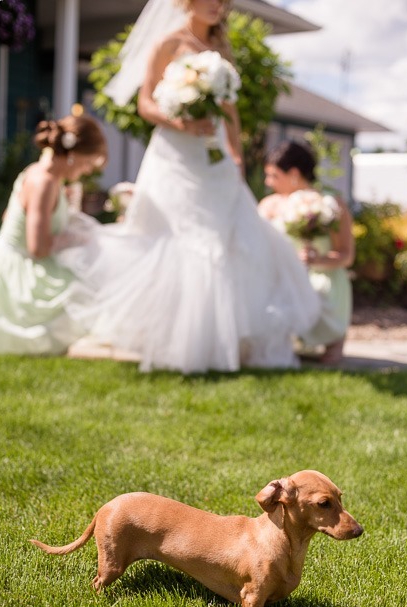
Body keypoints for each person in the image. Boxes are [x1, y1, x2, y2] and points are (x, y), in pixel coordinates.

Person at [69, 0, 321, 373]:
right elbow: (145, 102)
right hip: (175, 155)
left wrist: (237, 156)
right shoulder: (167, 43)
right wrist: (181, 123)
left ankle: (227, 340)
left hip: (213, 155)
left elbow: (230, 110)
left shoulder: (221, 48)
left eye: (224, 1)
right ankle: (171, 338)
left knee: (225, 236)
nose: (219, 6)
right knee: (174, 235)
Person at [0, 114, 107, 354]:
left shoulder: (39, 172)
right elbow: (38, 248)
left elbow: (8, 218)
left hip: (11, 257)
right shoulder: (45, 182)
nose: (85, 172)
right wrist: (74, 238)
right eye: (87, 165)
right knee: (88, 294)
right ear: (73, 156)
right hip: (19, 273)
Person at [258, 139, 355, 364]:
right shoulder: (268, 206)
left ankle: (332, 337)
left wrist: (318, 259)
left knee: (312, 290)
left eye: (273, 176)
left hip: (321, 277)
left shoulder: (331, 205)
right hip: (279, 277)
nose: (267, 182)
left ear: (293, 173)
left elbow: (347, 255)